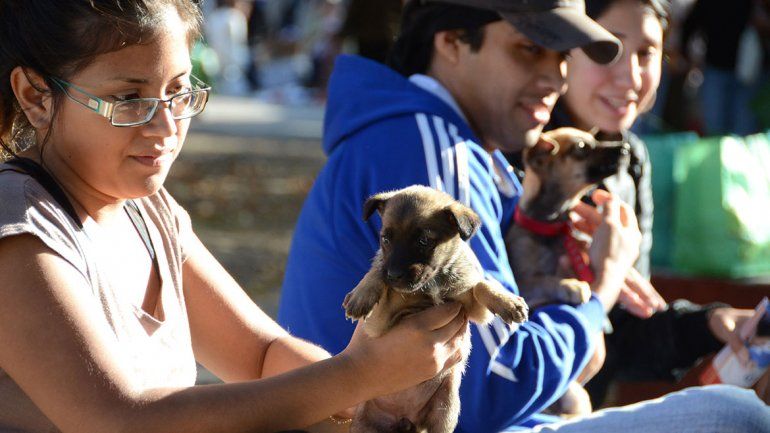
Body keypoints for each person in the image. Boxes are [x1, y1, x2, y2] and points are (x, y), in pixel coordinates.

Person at [278, 0, 770, 431]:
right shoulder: (435, 151)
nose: (554, 77)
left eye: (562, 56)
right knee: (736, 419)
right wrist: (597, 297)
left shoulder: (460, 146)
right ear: (451, 41)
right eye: (529, 49)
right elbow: (494, 387)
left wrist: (686, 321)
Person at [0, 1, 470, 432]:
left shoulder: (148, 212)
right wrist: (359, 375)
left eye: (179, 93)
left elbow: (262, 355)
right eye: (128, 99)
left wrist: (377, 392)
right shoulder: (19, 225)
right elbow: (119, 420)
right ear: (36, 96)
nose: (165, 127)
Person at [512, 0, 769, 406]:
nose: (630, 77)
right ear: (563, 49)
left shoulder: (630, 159)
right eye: (607, 49)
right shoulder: (518, 151)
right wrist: (600, 278)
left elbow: (627, 334)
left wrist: (710, 324)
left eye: (647, 53)